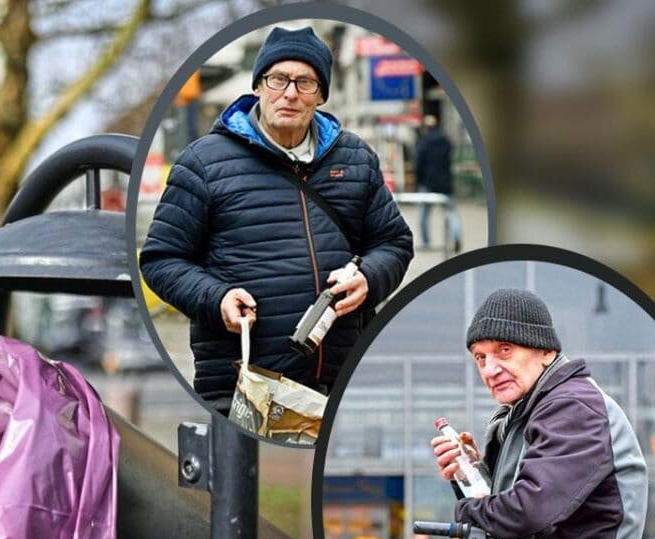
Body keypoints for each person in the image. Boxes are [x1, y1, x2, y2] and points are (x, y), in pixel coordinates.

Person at [139, 25, 414, 409]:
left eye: (305, 82)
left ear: (320, 95)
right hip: (242, 388)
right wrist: (216, 298)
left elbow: (394, 242)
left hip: (342, 385)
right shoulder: (203, 163)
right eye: (278, 79)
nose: (289, 93)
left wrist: (370, 277)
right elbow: (160, 259)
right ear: (257, 85)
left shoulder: (355, 158)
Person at [382, 289, 648, 539]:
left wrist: (466, 511)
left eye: (504, 350)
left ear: (544, 351)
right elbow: (519, 507)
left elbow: (528, 511)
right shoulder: (529, 413)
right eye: (480, 357)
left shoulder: (573, 407)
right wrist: (470, 476)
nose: (489, 368)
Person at [412, 114, 458, 250]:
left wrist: (419, 180)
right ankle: (456, 237)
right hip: (445, 182)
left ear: (425, 128)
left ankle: (426, 242)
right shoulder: (446, 141)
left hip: (428, 183)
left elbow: (418, 164)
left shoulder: (424, 142)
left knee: (424, 215)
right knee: (451, 212)